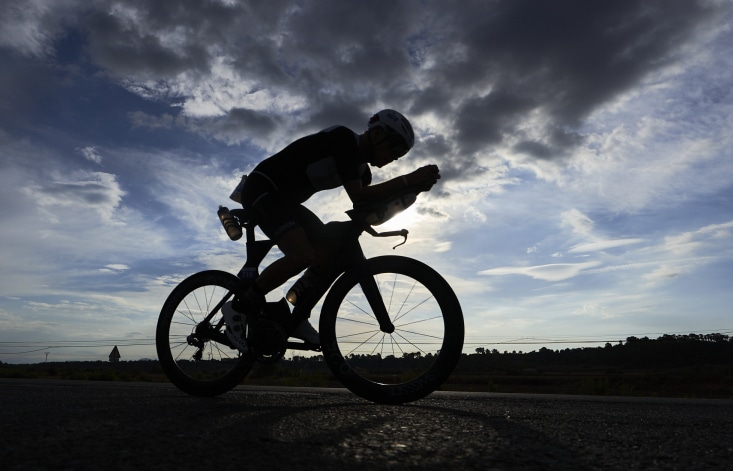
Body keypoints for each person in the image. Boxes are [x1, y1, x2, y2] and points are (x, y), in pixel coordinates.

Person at [222, 109, 440, 353]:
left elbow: (365, 206)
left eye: (400, 154)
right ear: (377, 133)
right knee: (302, 255)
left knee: (328, 247)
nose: (395, 158)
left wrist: (415, 190)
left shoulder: (362, 171)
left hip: (287, 203)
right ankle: (238, 308)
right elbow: (358, 195)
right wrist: (408, 180)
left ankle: (296, 315)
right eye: (395, 149)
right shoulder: (344, 140)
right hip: (263, 188)